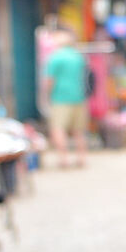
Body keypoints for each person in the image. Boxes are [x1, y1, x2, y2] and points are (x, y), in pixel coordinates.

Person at [41, 29, 91, 169]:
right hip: (79, 97)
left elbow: (49, 80)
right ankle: (82, 158)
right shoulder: (78, 57)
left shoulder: (55, 57)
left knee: (58, 129)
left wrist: (47, 95)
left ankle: (64, 159)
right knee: (79, 130)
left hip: (60, 97)